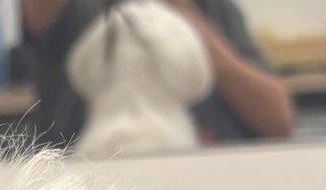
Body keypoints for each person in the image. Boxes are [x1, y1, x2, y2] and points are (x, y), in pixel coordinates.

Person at [21, 0, 293, 149]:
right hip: (96, 184)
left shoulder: (215, 9)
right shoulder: (76, 9)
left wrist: (200, 38)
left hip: (213, 178)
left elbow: (280, 123)